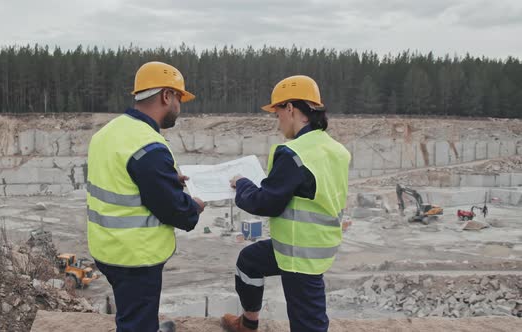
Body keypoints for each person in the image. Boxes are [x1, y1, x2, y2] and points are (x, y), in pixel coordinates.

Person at [221, 75, 351, 332]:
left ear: (290, 108)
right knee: (249, 261)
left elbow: (265, 203)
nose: (277, 120)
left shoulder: (294, 153)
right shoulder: (335, 149)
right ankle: (248, 322)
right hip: (314, 242)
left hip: (299, 252)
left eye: (277, 111)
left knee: (308, 323)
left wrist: (243, 184)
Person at [86, 61, 205, 332]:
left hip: (107, 247)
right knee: (136, 321)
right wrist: (195, 207)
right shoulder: (149, 146)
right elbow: (175, 211)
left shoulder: (107, 133)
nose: (179, 106)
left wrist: (165, 180)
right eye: (179, 98)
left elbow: (122, 178)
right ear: (166, 96)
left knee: (132, 311)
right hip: (135, 256)